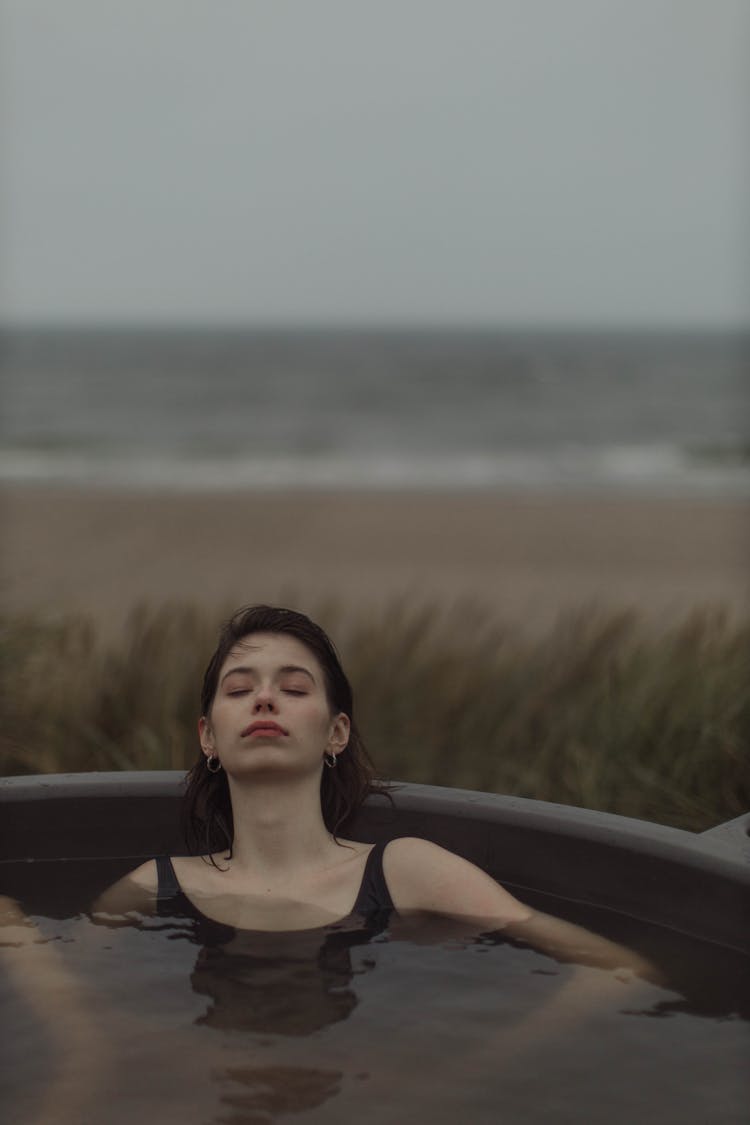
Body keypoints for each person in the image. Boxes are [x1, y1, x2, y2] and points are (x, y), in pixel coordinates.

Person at [95, 604, 657, 979]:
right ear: (209, 737)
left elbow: (618, 971)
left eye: (293, 687)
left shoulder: (407, 872)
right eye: (240, 689)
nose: (264, 700)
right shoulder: (153, 886)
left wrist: (476, 1075)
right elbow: (74, 990)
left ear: (336, 733)